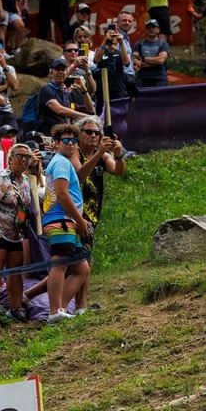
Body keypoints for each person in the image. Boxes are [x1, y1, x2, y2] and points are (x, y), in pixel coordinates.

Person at [34, 124, 91, 321]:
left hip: (65, 220)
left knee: (81, 269)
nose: (71, 144)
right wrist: (80, 220)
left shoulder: (63, 162)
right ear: (56, 143)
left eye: (74, 141)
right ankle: (54, 311)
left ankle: (61, 308)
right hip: (61, 220)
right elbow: (61, 193)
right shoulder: (61, 163)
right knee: (59, 266)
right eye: (66, 141)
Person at [74, 116, 123, 315]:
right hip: (74, 213)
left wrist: (118, 155)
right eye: (88, 132)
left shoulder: (102, 156)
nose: (93, 136)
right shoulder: (74, 153)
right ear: (79, 135)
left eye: (97, 133)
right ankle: (76, 305)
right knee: (76, 263)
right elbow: (79, 175)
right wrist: (100, 153)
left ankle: (81, 305)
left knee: (86, 260)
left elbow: (118, 172)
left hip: (93, 214)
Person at [0, 143, 37, 321]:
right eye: (19, 156)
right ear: (10, 158)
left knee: (16, 267)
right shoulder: (0, 177)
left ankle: (16, 307)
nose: (23, 160)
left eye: (27, 157)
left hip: (16, 231)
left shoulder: (27, 180)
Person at [133, 18, 172, 88]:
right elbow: (135, 61)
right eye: (148, 27)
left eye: (153, 27)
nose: (151, 29)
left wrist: (143, 58)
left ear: (158, 29)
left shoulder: (163, 44)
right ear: (145, 29)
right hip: (142, 79)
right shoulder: (139, 44)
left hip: (160, 80)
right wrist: (154, 62)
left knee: (160, 99)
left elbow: (160, 61)